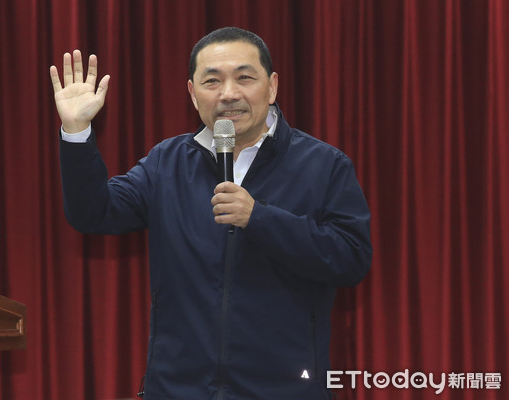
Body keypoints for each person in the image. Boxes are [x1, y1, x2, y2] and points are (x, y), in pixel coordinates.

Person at [50, 27, 371, 400]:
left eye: (244, 78)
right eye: (212, 81)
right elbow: (94, 213)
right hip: (177, 389)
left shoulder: (323, 164)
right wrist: (76, 131)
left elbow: (351, 260)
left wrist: (259, 217)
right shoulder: (167, 163)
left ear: (272, 87)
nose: (229, 94)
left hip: (284, 389)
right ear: (192, 93)